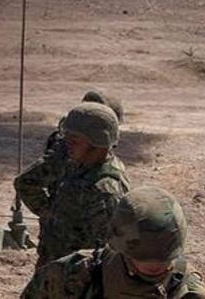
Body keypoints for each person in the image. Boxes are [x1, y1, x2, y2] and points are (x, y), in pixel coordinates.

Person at [21, 186, 205, 298]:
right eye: (145, 255)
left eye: (162, 258)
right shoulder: (76, 275)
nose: (155, 264)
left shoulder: (189, 293)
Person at [15, 102, 130, 268]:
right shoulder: (77, 161)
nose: (65, 144)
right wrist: (51, 215)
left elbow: (102, 257)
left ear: (98, 145)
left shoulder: (105, 192)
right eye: (66, 137)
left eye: (74, 140)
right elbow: (26, 183)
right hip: (54, 265)